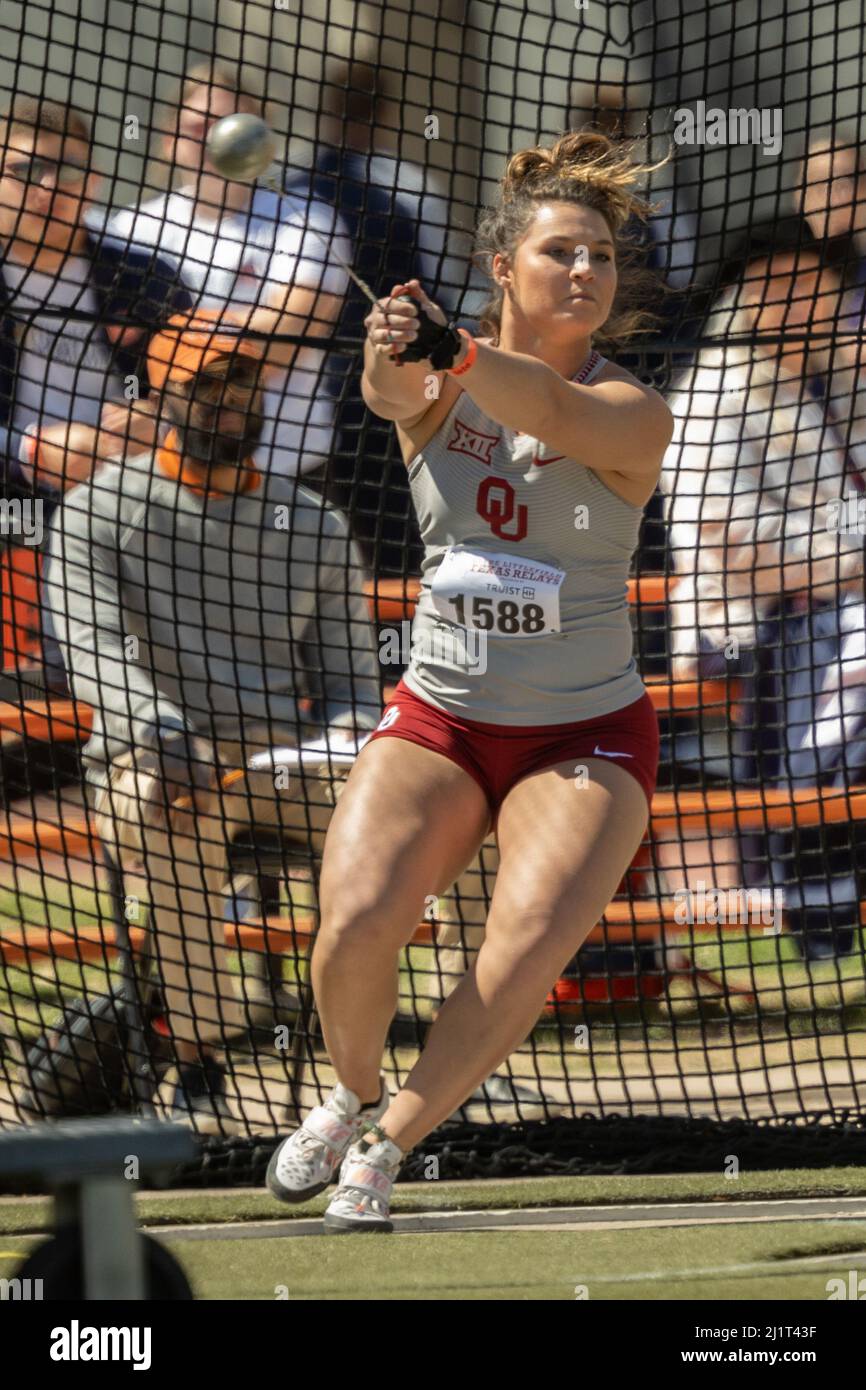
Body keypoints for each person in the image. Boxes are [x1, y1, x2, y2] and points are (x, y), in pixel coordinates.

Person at [266, 131, 674, 1230]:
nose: (584, 271)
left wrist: (450, 344)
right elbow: (388, 384)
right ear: (505, 266)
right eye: (559, 252)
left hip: (580, 733)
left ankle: (388, 1145)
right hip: (442, 716)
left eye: (598, 255)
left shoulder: (631, 410)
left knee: (525, 943)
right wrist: (397, 337)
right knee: (353, 922)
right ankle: (349, 1094)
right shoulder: (444, 378)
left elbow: (546, 410)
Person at [43, 306, 381, 1134]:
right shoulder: (96, 509)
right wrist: (162, 731)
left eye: (240, 385)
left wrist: (358, 744)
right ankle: (199, 1062)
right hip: (150, 757)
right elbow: (93, 653)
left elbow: (351, 684)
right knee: (172, 807)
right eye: (203, 388)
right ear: (157, 398)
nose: (227, 402)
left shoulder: (314, 521)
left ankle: (435, 1057)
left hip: (288, 764)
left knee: (439, 813)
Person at [659, 239, 866, 958]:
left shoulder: (840, 383)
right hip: (744, 625)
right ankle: (819, 908)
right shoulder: (713, 388)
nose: (803, 301)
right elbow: (726, 538)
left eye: (816, 285)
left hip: (830, 610)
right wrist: (852, 560)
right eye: (780, 284)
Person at [0, 95, 191, 685]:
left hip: (130, 492)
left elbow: (207, 387)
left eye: (69, 170)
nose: (49, 187)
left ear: (95, 182)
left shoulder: (145, 277)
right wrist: (28, 449)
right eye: (26, 170)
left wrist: (158, 418)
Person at [101, 60, 350, 481]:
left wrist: (170, 353)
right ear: (169, 139)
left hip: (284, 467)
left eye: (229, 126)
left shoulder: (308, 220)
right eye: (199, 127)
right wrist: (236, 329)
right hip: (163, 468)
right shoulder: (129, 230)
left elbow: (286, 336)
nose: (214, 140)